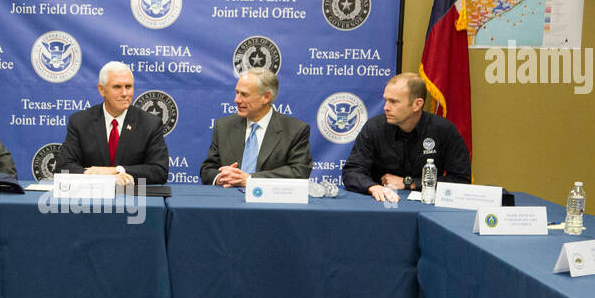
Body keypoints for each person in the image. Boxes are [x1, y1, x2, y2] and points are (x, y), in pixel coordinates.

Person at [342, 72, 471, 203]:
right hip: (382, 203)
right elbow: (352, 171)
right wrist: (373, 187)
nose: (386, 107)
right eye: (386, 100)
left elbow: (461, 181)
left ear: (417, 104)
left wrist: (409, 183)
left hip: (429, 207)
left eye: (393, 102)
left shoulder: (443, 130)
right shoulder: (374, 127)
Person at [54, 61, 168, 186]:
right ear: (101, 90)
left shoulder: (150, 123)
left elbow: (159, 171)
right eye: (117, 87)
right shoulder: (80, 121)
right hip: (91, 198)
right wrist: (104, 179)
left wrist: (116, 170)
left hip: (132, 198)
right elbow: (63, 168)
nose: (124, 93)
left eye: (128, 86)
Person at [201, 69, 313, 187]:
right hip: (228, 200)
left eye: (244, 94)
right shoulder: (224, 126)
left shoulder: (295, 130)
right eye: (237, 93)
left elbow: (299, 172)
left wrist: (250, 179)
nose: (237, 100)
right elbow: (207, 169)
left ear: (266, 97)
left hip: (270, 202)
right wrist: (221, 177)